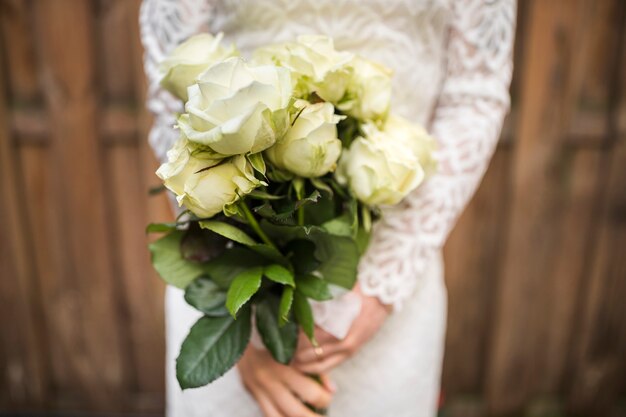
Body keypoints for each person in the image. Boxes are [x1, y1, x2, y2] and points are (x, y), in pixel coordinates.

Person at [140, 1, 516, 416]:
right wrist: (244, 321)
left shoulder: (387, 280)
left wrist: (382, 284)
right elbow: (171, 93)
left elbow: (475, 96)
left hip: (393, 277)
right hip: (234, 260)